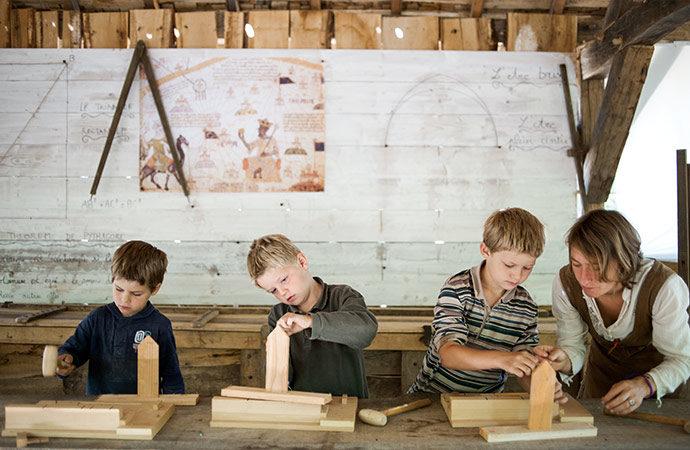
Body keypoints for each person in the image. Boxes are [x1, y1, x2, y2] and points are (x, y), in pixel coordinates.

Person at [535, 209, 690, 415]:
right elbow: (572, 345)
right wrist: (564, 359)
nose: (584, 278)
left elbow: (681, 360)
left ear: (624, 259)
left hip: (656, 395)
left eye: (597, 266)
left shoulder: (663, 287)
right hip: (600, 388)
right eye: (576, 264)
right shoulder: (566, 283)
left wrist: (645, 385)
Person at [408, 208, 566, 402]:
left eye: (527, 267)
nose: (517, 276)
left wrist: (542, 384)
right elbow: (448, 354)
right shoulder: (457, 288)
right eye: (509, 265)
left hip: (486, 402)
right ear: (486, 251)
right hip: (432, 398)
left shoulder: (527, 308)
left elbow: (523, 367)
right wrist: (502, 358)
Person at [247, 234, 378, 398]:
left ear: (302, 262)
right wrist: (274, 352)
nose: (282, 292)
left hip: (349, 407)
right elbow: (280, 378)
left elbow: (366, 331)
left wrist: (310, 322)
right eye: (273, 290)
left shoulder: (343, 296)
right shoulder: (279, 315)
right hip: (303, 410)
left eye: (284, 280)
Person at [57, 240, 185, 395]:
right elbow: (73, 350)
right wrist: (65, 362)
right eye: (119, 289)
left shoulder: (160, 325)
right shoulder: (97, 319)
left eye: (136, 294)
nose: (124, 300)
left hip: (144, 409)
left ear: (155, 289)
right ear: (112, 280)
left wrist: (176, 403)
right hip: (99, 407)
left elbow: (171, 375)